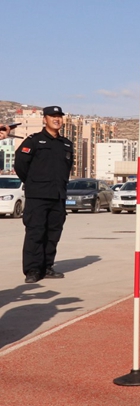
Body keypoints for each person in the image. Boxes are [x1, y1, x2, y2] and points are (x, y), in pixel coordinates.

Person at [13, 106, 74, 283]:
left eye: (59, 116)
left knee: (53, 233)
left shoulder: (66, 144)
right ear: (44, 119)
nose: (57, 119)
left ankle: (47, 267)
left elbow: (66, 169)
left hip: (58, 196)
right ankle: (32, 270)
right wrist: (33, 183)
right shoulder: (33, 141)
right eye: (52, 116)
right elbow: (20, 165)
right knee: (35, 233)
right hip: (37, 196)